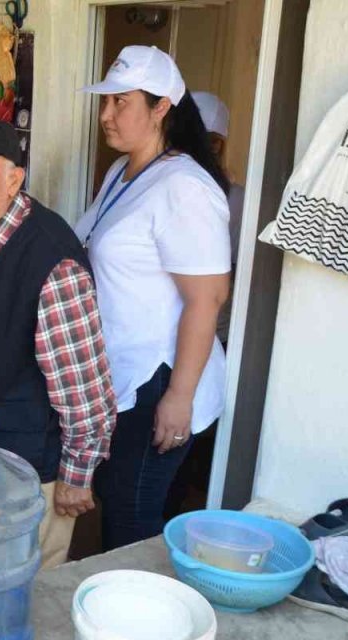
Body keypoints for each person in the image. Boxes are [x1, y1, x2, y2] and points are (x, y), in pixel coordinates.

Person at [0, 117, 116, 569]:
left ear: (13, 180)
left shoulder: (51, 263)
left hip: (35, 468)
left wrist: (76, 476)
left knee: (29, 580)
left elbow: (83, 389)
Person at [77, 46, 232, 552]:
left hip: (159, 376)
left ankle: (133, 597)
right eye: (105, 102)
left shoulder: (184, 185)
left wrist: (179, 398)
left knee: (131, 515)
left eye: (121, 102)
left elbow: (208, 298)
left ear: (162, 106)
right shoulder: (122, 172)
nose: (106, 114)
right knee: (116, 498)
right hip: (120, 373)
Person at [191, 91, 245, 345]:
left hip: (212, 334)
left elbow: (236, 273)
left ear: (216, 145)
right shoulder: (160, 187)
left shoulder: (236, 199)